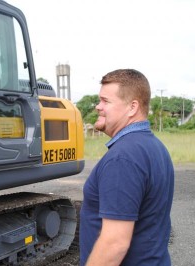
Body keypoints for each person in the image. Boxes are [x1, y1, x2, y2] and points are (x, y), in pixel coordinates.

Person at [79, 69, 174, 265]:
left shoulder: (123, 157)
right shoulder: (154, 146)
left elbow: (114, 244)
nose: (98, 106)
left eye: (106, 101)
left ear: (132, 108)